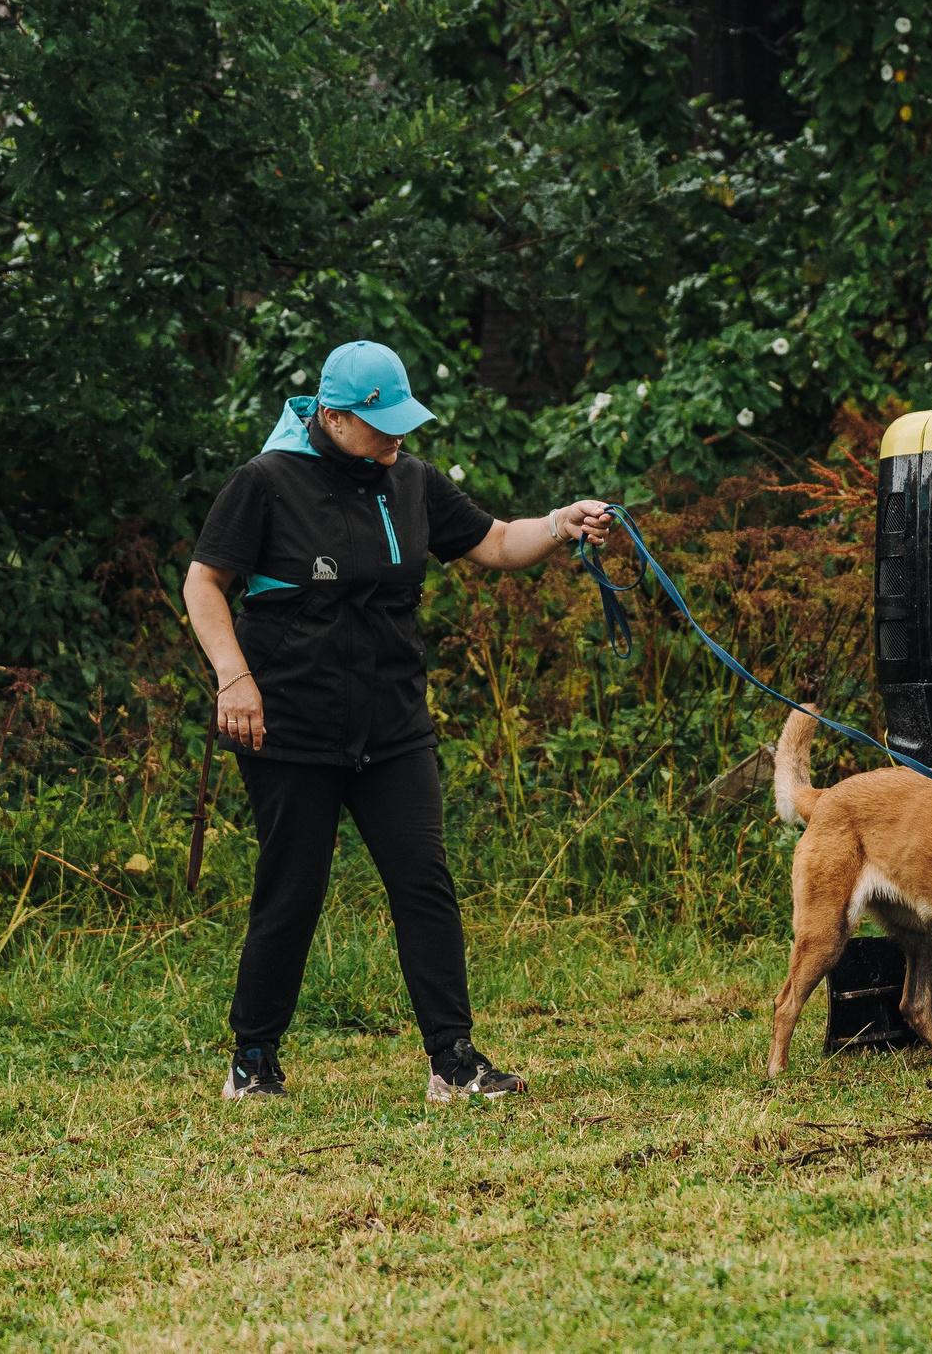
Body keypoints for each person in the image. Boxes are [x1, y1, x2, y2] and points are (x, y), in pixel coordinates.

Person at [184, 340, 611, 1103]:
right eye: (383, 426)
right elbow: (204, 583)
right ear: (333, 417)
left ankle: (453, 1061)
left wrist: (559, 522)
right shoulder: (265, 483)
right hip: (288, 722)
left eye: (403, 424)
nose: (398, 439)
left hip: (392, 723)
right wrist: (234, 679)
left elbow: (493, 542)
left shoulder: (409, 480)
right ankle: (253, 1061)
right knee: (294, 888)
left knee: (423, 880)